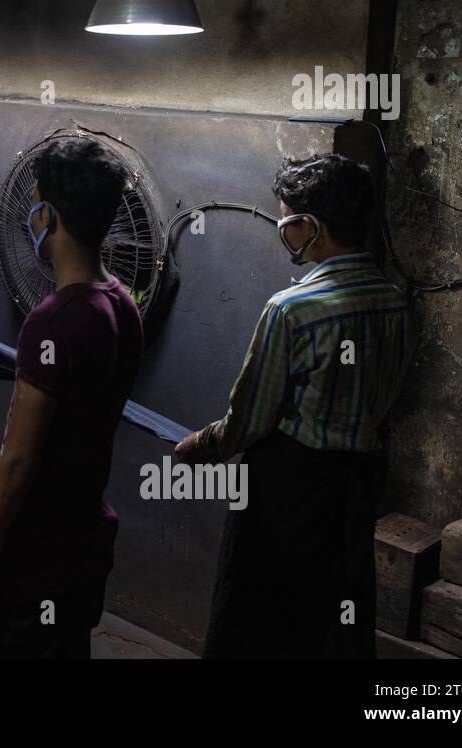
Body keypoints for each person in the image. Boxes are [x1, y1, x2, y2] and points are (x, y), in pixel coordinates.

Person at [174, 154, 414, 658]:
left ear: (310, 227)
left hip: (289, 493)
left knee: (258, 621)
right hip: (354, 488)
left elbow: (249, 422)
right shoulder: (394, 302)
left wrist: (203, 444)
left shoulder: (291, 310)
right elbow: (387, 396)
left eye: (287, 224)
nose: (285, 235)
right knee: (333, 623)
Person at [0, 137, 144, 658]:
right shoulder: (123, 304)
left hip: (37, 546)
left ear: (47, 214)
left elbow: (19, 459)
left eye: (34, 203)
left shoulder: (53, 320)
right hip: (85, 536)